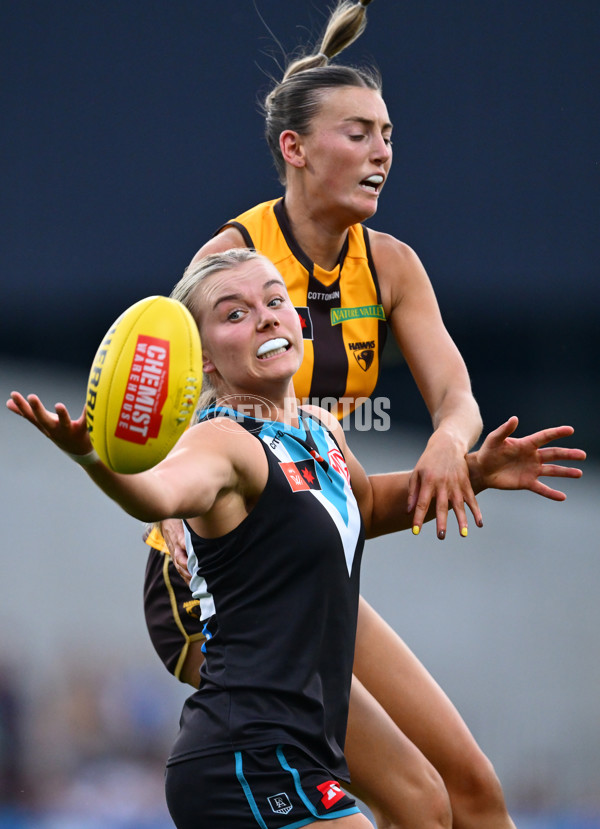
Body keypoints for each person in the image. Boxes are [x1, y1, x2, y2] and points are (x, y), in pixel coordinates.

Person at [7, 249, 586, 829]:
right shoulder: (223, 441)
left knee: (427, 809)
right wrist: (91, 456)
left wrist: (476, 474)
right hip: (246, 761)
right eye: (235, 314)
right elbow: (156, 494)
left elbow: (365, 505)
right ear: (202, 361)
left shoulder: (319, 428)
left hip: (299, 756)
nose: (264, 317)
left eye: (275, 301)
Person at [142, 2, 515, 827]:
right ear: (295, 149)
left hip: (309, 550)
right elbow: (169, 418)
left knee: (466, 792)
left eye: (387, 133)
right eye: (359, 133)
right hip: (221, 585)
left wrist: (456, 447)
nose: (382, 151)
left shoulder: (391, 264)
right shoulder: (228, 264)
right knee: (412, 798)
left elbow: (457, 399)